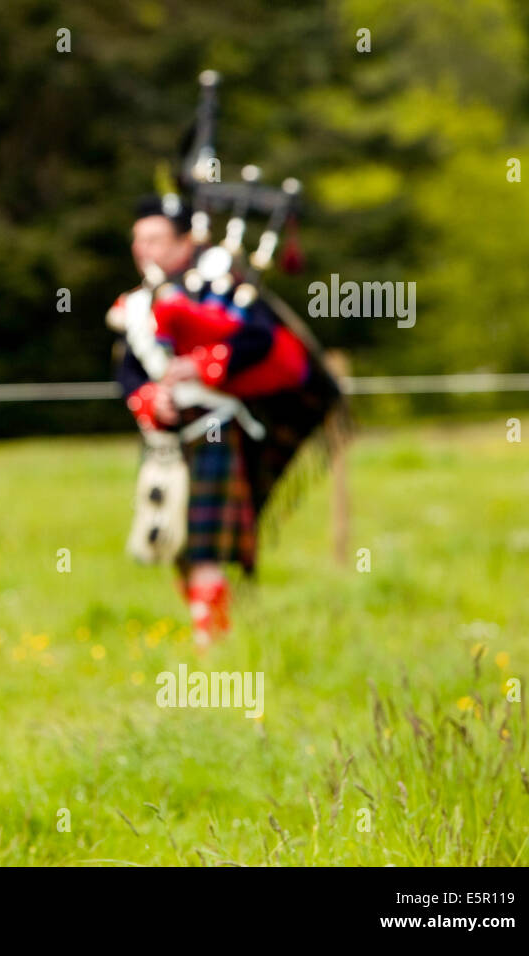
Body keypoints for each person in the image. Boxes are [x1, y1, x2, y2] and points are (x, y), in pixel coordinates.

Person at [109, 194, 338, 648]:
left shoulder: (222, 286)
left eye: (153, 238)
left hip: (216, 425)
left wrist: (202, 366)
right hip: (167, 437)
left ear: (183, 242)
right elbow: (128, 368)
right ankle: (209, 629)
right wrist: (149, 398)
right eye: (138, 240)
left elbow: (260, 341)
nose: (143, 249)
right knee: (172, 537)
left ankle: (210, 642)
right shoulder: (137, 303)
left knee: (205, 543)